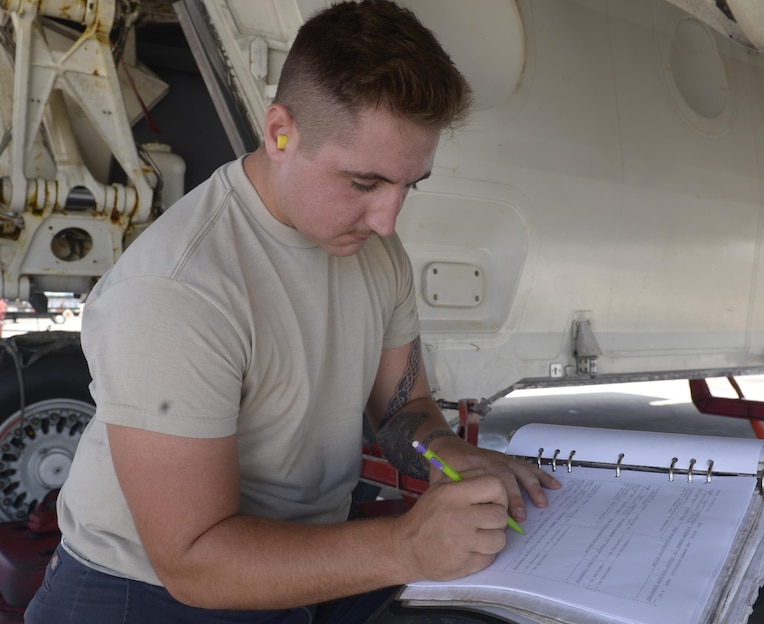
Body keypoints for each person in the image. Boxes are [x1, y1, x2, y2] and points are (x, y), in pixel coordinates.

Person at [25, 1, 559, 622]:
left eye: (409, 185)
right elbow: (193, 559)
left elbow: (402, 409)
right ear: (280, 133)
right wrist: (405, 547)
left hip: (301, 562)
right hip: (144, 595)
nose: (388, 219)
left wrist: (447, 451)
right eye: (363, 183)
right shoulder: (176, 291)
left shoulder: (377, 251)